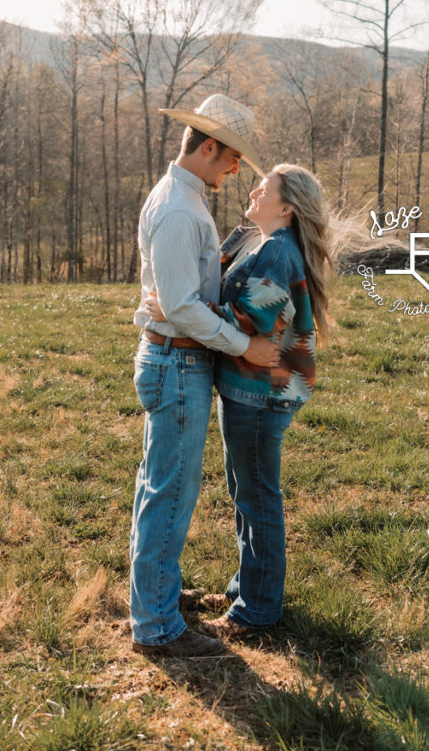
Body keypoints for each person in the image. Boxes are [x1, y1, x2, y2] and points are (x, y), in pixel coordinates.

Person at [147, 163, 333, 638]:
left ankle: (257, 611)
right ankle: (245, 589)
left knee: (257, 496)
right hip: (253, 387)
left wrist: (180, 308)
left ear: (287, 207)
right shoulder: (261, 241)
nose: (253, 189)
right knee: (246, 490)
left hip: (262, 391)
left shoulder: (277, 250)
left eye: (264, 188)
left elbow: (250, 318)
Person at [129, 93, 278, 659]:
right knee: (170, 492)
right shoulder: (179, 209)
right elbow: (182, 307)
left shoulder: (185, 201)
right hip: (177, 360)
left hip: (177, 357)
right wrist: (244, 343)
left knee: (160, 486)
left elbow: (178, 292)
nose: (238, 169)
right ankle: (158, 627)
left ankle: (156, 597)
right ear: (209, 146)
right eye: (233, 157)